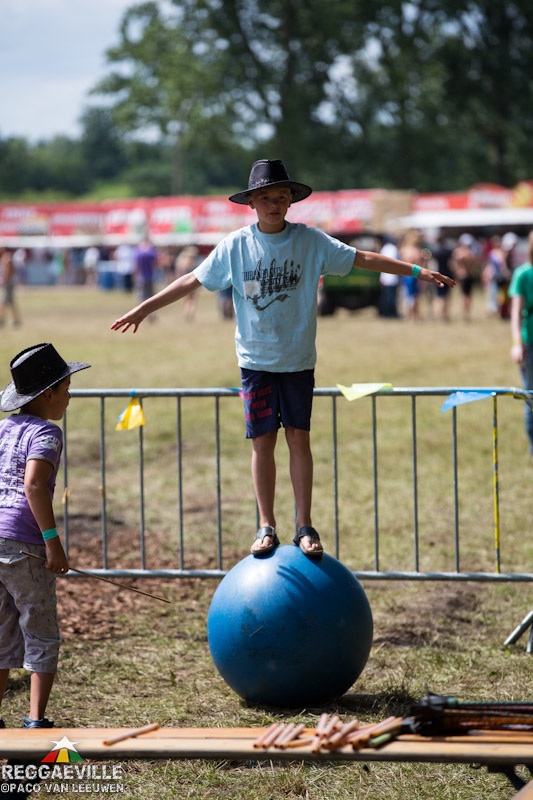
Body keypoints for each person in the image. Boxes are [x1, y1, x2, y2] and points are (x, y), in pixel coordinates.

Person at [110, 159, 455, 558]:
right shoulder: (236, 246)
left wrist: (416, 271)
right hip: (255, 362)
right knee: (262, 443)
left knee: (298, 440)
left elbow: (362, 257)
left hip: (297, 361)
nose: (273, 205)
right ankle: (266, 525)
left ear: (291, 201)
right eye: (265, 198)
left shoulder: (310, 241)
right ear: (251, 203)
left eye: (280, 197)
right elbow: (192, 279)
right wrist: (144, 308)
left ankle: (304, 525)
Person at [0, 343, 91, 728]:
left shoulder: (3, 429)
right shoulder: (47, 433)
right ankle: (36, 721)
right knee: (40, 632)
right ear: (47, 393)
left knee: (2, 633)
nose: (69, 397)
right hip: (26, 545)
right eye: (66, 389)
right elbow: (34, 486)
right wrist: (53, 543)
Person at [509, 231, 533, 455]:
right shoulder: (523, 274)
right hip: (530, 342)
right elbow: (516, 312)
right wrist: (517, 343)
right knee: (531, 396)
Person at [0, 248, 22, 327]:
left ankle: (2, 319)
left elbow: (8, 271)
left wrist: (5, 281)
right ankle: (15, 319)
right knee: (10, 302)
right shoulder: (8, 257)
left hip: (8, 283)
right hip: (9, 282)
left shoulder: (6, 257)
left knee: (5, 301)